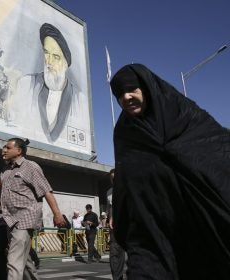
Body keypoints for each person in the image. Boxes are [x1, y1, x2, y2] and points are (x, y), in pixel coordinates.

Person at [110, 63, 230, 280]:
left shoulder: (186, 116)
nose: (126, 97)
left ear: (146, 87)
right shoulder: (126, 135)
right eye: (119, 94)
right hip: (151, 228)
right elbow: (125, 181)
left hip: (202, 222)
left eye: (131, 89)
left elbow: (219, 155)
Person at [0, 137, 65, 280]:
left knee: (14, 261)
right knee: (24, 262)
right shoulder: (5, 171)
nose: (4, 150)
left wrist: (57, 214)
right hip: (9, 220)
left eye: (7, 147)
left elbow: (46, 191)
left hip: (25, 219)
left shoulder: (31, 167)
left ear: (18, 151)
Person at [15, 23, 88, 144]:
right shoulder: (26, 84)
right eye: (46, 53)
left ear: (66, 63)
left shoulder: (80, 100)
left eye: (56, 57)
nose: (48, 61)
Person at [108, 169, 125, 280]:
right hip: (114, 226)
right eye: (112, 178)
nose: (114, 180)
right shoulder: (109, 192)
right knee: (115, 252)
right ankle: (117, 278)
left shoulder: (127, 189)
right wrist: (107, 218)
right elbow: (110, 207)